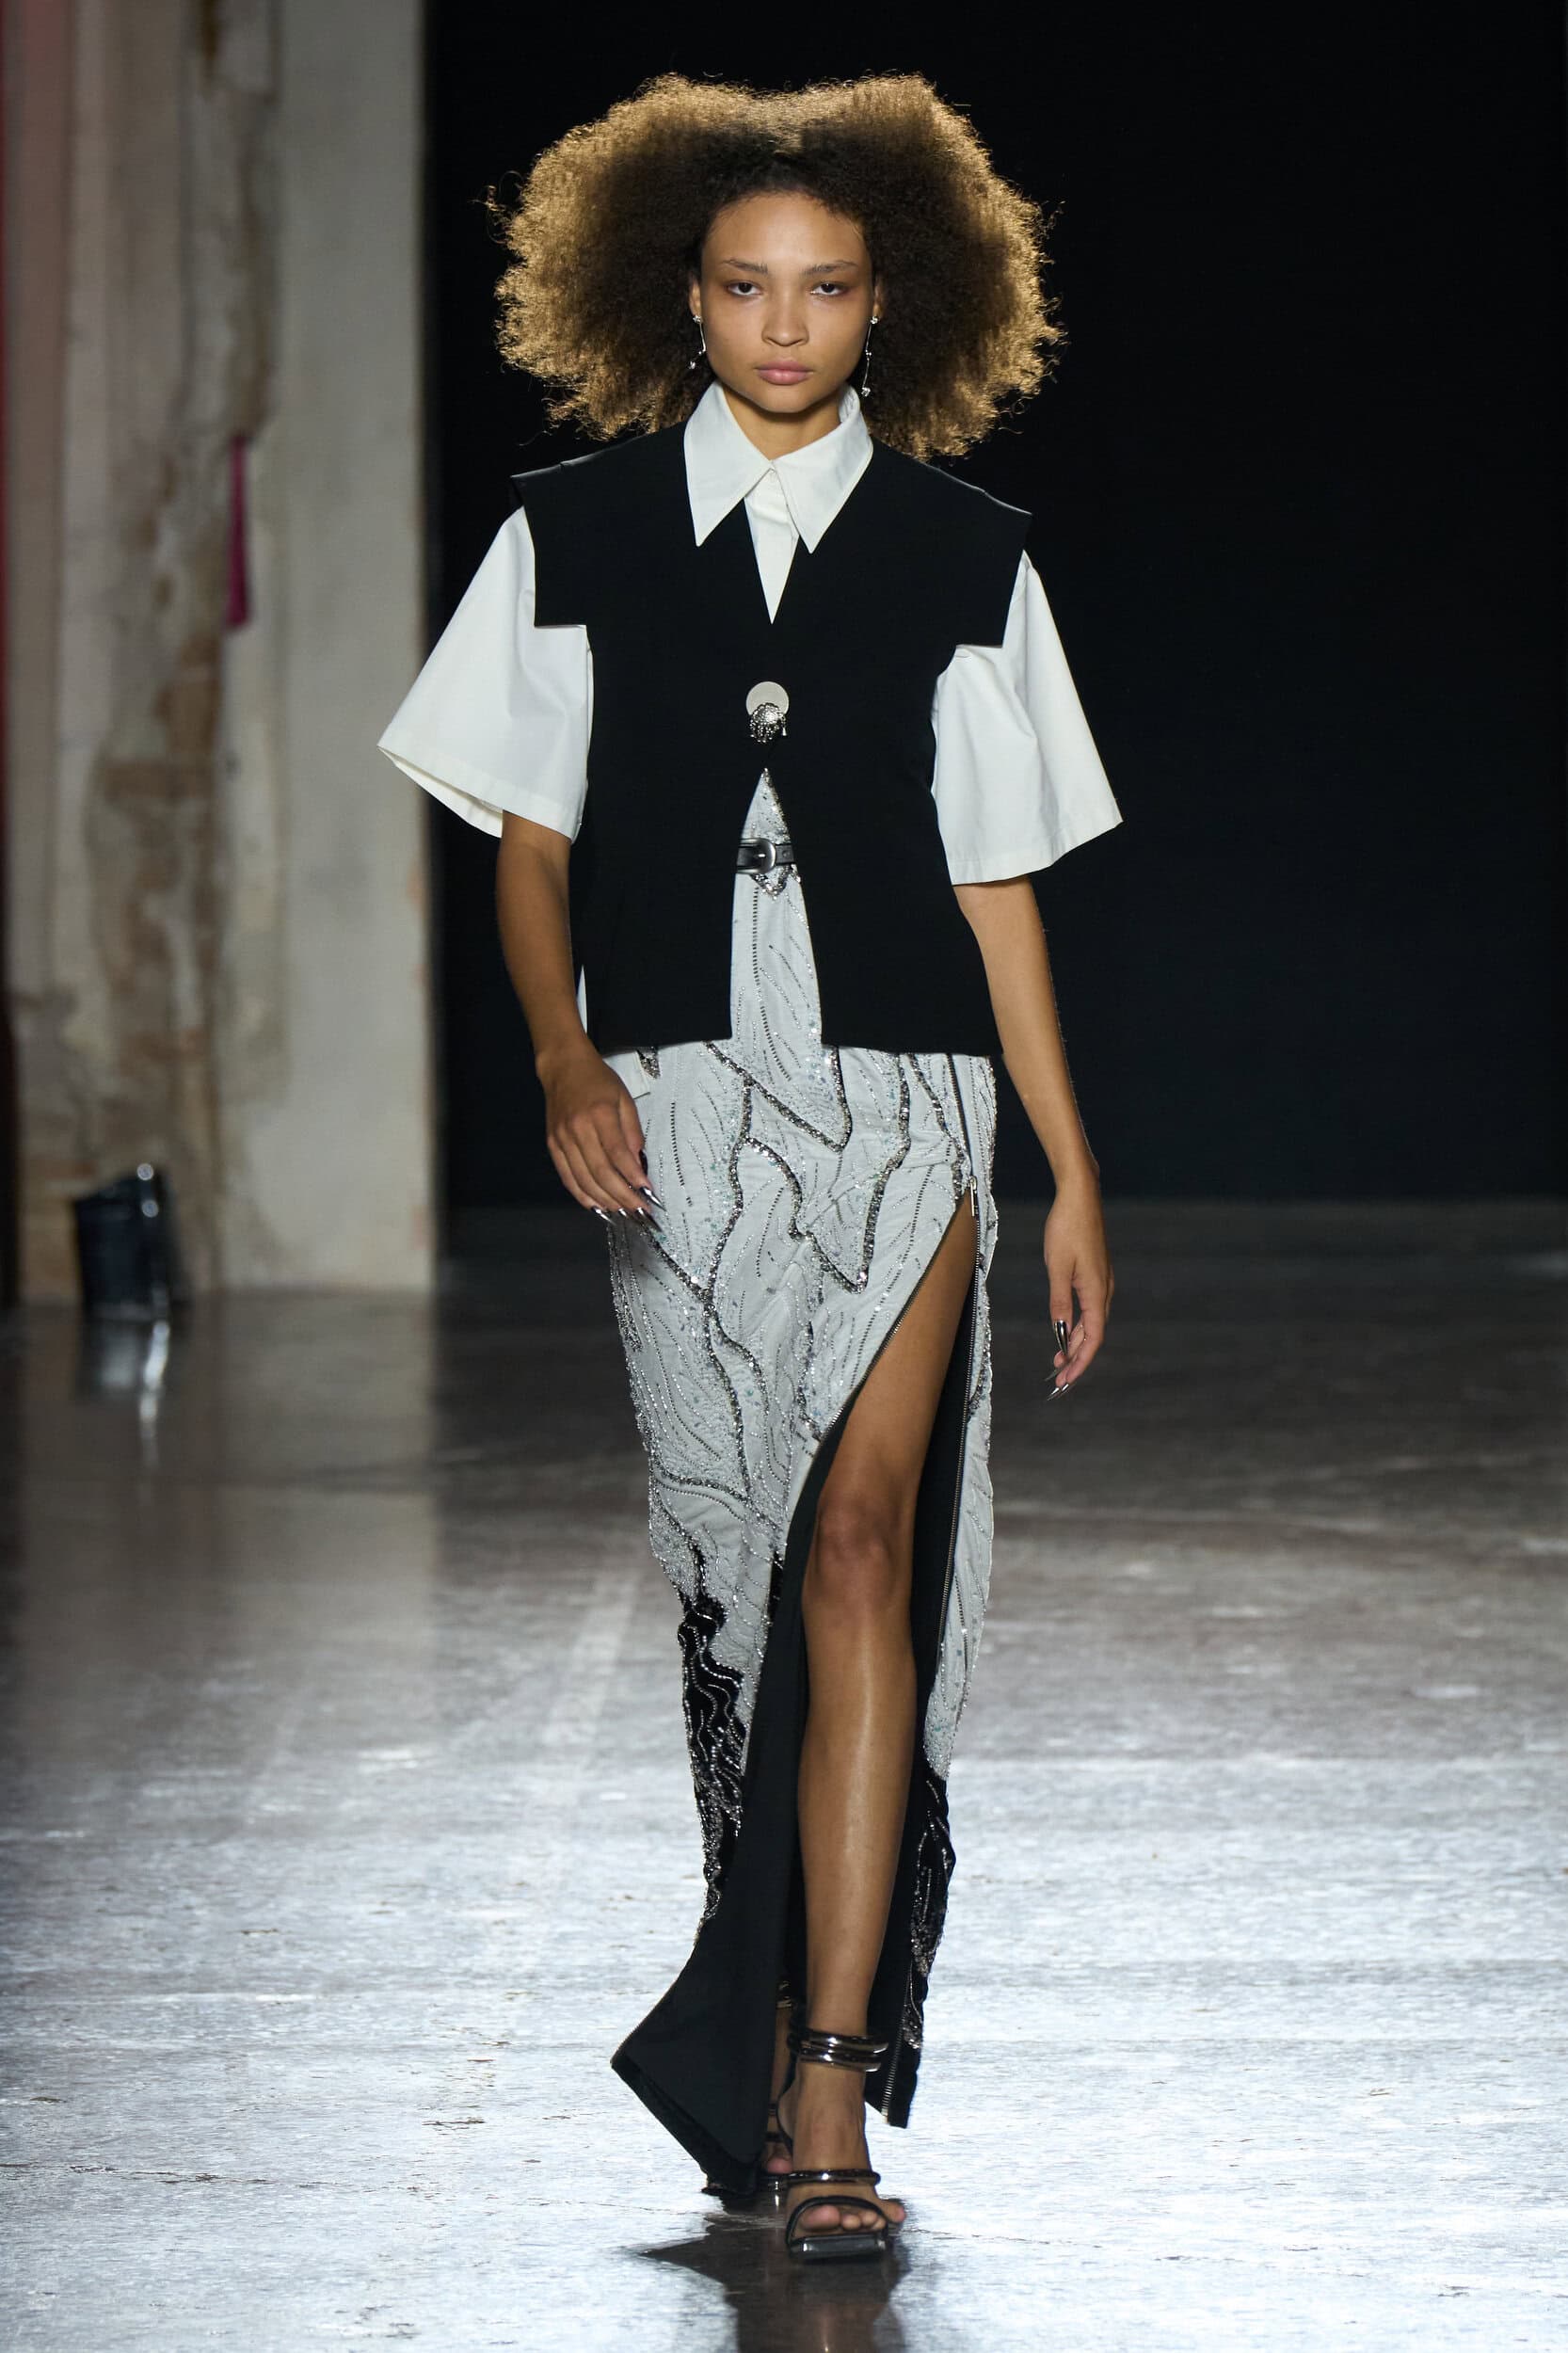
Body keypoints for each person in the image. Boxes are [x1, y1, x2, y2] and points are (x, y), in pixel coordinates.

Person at [377, 72, 1121, 2265]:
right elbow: (529, 850)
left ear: (888, 303)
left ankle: (828, 2089)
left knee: (867, 1546)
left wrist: (1069, 1169)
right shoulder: (572, 534)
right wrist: (557, 1054)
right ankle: (758, 2004)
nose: (782, 323)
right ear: (677, 299)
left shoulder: (966, 556)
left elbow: (997, 886)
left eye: (823, 286)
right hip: (676, 1106)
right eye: (741, 285)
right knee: (738, 1581)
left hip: (906, 1101)